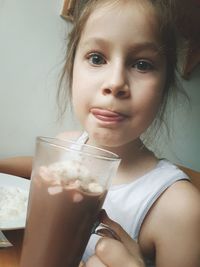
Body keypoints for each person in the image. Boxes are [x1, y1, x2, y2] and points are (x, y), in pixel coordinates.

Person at [0, 0, 200, 266]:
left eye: (142, 64)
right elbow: (36, 167)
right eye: (97, 58)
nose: (115, 83)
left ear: (164, 87)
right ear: (72, 69)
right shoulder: (66, 146)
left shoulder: (180, 210)